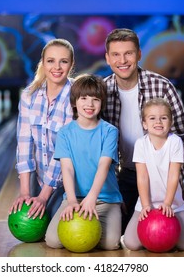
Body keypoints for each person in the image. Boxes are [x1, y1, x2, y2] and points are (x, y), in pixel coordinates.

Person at [102, 28, 184, 233]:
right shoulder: (103, 91)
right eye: (116, 54)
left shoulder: (162, 86)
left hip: (165, 177)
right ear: (107, 58)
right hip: (125, 178)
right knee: (115, 235)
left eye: (129, 53)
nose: (122, 60)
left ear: (139, 54)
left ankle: (181, 195)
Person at [45, 74, 122, 251]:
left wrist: (92, 198)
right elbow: (67, 169)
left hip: (105, 200)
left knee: (110, 245)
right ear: (74, 102)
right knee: (53, 241)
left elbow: (104, 166)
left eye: (96, 99)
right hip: (75, 199)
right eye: (84, 98)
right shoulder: (65, 133)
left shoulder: (110, 131)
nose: (90, 104)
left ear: (102, 103)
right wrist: (72, 201)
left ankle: (116, 220)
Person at [8, 38, 75, 220]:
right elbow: (24, 144)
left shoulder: (76, 96)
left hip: (69, 182)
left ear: (71, 65)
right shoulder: (29, 95)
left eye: (64, 61)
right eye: (51, 61)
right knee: (34, 222)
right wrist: (25, 192)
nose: (57, 67)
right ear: (43, 63)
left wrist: (44, 197)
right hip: (39, 178)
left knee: (54, 233)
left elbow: (64, 150)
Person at [122, 98, 184, 251]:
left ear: (170, 121)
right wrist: (146, 205)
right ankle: (152, 237)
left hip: (172, 204)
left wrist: (167, 204)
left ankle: (165, 237)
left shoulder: (175, 142)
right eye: (152, 118)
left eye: (163, 118)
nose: (158, 122)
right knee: (131, 243)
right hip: (147, 203)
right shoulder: (141, 144)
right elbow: (142, 177)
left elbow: (174, 176)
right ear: (144, 123)